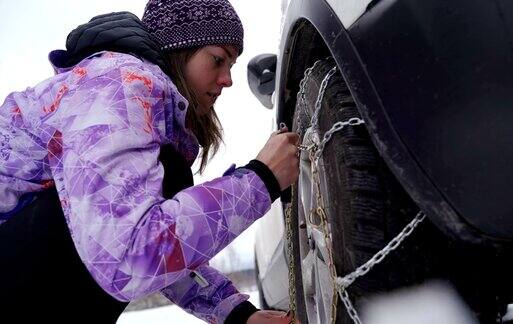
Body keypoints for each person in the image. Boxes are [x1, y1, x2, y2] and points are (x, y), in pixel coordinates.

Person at [0, 1, 300, 323]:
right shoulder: (116, 87)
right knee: (171, 175)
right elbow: (129, 254)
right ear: (180, 49)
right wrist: (262, 179)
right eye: (218, 60)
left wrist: (234, 312)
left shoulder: (131, 96)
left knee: (169, 178)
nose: (228, 79)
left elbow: (135, 233)